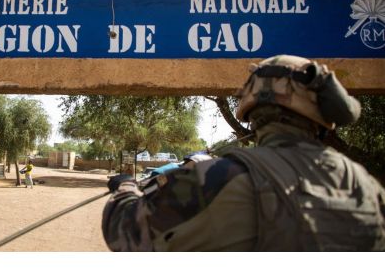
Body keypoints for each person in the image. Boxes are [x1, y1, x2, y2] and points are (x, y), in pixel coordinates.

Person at [102, 55, 385, 251]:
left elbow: (125, 233)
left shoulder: (221, 178)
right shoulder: (369, 187)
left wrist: (125, 187)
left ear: (252, 105)